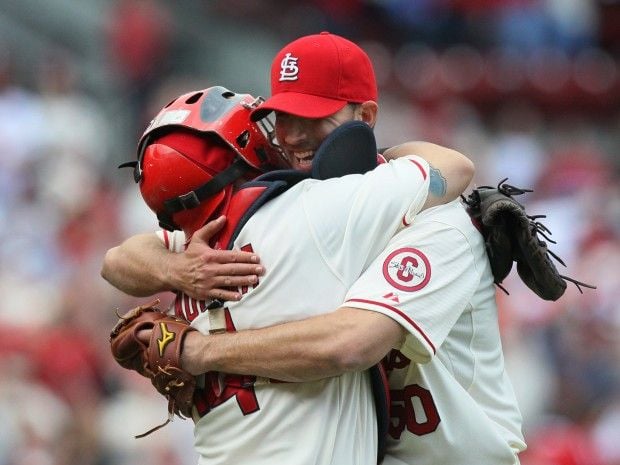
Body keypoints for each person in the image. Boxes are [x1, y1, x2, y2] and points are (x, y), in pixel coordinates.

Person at [103, 32, 526, 464]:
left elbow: (352, 342)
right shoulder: (273, 218)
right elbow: (119, 260)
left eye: (313, 117)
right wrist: (178, 271)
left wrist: (200, 350)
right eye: (283, 117)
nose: (292, 136)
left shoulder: (439, 224)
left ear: (365, 115)